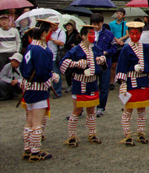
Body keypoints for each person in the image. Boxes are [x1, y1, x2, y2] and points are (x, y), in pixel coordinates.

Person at [59, 25, 107, 147]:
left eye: (93, 34)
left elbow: (103, 63)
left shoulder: (95, 49)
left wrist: (102, 60)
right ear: (83, 36)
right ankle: (71, 136)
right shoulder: (75, 50)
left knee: (91, 111)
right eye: (90, 34)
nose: (92, 36)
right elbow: (62, 65)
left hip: (92, 83)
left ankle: (92, 133)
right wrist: (75, 64)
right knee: (76, 111)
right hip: (79, 83)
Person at [116, 21, 149, 146]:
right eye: (132, 34)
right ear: (129, 34)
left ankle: (141, 132)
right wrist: (123, 83)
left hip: (143, 80)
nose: (135, 36)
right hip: (130, 80)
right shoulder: (126, 49)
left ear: (141, 34)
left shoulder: (146, 48)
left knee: (142, 109)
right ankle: (127, 134)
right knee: (128, 109)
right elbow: (121, 67)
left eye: (137, 34)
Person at [20, 20, 60, 162]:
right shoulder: (41, 50)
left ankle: (27, 148)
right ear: (43, 34)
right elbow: (43, 72)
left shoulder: (30, 48)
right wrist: (52, 76)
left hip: (29, 86)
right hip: (39, 87)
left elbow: (22, 68)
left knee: (29, 120)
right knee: (37, 122)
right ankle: (35, 152)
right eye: (49, 32)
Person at [91, 13, 116, 117]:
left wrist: (106, 52)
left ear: (102, 23)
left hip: (105, 63)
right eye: (93, 24)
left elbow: (114, 48)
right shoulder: (89, 33)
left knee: (104, 86)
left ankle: (101, 107)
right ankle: (89, 107)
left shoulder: (108, 34)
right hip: (91, 63)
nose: (96, 26)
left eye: (97, 23)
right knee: (91, 86)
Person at [109, 8, 129, 92]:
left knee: (124, 63)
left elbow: (127, 34)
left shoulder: (126, 24)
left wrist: (121, 39)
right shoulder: (111, 24)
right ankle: (111, 82)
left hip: (123, 44)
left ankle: (122, 80)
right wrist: (117, 40)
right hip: (114, 44)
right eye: (117, 13)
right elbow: (110, 34)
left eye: (120, 14)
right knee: (113, 65)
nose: (118, 15)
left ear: (123, 15)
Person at [45, 16, 65, 98]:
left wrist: (51, 39)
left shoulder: (61, 32)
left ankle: (57, 91)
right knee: (46, 74)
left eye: (53, 24)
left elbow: (61, 43)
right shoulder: (48, 32)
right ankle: (47, 89)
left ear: (57, 24)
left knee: (56, 74)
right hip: (47, 56)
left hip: (56, 56)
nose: (51, 26)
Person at [63, 19, 81, 92]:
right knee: (67, 70)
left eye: (70, 25)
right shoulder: (64, 33)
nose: (68, 27)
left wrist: (75, 46)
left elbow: (79, 44)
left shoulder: (77, 34)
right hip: (65, 52)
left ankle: (74, 84)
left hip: (74, 53)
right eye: (67, 25)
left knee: (73, 70)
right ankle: (69, 85)